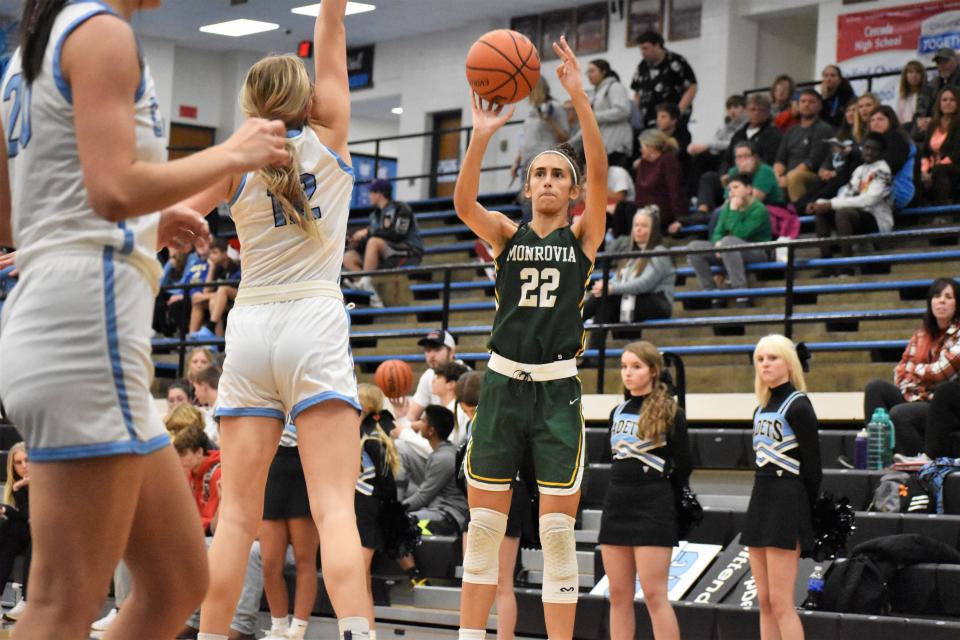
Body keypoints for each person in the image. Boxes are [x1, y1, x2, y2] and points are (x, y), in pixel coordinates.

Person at [0, 1, 288, 638]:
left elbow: (18, 213)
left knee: (176, 581)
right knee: (61, 601)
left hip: (60, 322)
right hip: (83, 331)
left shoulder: (28, 55)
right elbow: (112, 190)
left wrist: (143, 226)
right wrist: (233, 153)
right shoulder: (99, 31)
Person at [178, 3, 375, 638]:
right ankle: (357, 633)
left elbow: (163, 221)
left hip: (252, 323)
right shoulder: (333, 132)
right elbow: (332, 33)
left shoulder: (232, 161)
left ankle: (211, 634)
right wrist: (332, 9)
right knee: (334, 508)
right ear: (306, 96)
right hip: (313, 320)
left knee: (234, 518)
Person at [454, 35, 607, 640]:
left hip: (558, 392)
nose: (546, 181)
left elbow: (598, 168)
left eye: (556, 176)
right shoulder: (505, 234)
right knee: (485, 530)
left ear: (571, 194)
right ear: (526, 188)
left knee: (558, 534)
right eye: (538, 173)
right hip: (500, 385)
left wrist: (579, 100)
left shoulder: (584, 237)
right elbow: (464, 200)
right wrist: (481, 134)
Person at [599, 342, 690, 640]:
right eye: (624, 366)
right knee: (618, 594)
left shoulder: (670, 411)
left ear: (653, 370)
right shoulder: (617, 411)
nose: (628, 373)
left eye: (636, 367)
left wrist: (669, 501)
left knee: (654, 595)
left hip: (653, 506)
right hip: (617, 505)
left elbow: (684, 464)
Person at [743, 335, 821, 640]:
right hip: (760, 500)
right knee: (763, 601)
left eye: (772, 358)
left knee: (780, 602)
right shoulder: (760, 408)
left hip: (787, 501)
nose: (765, 365)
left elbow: (813, 468)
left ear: (788, 362)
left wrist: (806, 512)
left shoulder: (799, 405)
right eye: (760, 359)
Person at [864, 278, 960, 458]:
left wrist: (914, 370)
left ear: (957, 304)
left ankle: (918, 465)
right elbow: (899, 372)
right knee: (875, 388)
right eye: (937, 296)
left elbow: (940, 373)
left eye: (948, 297)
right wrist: (916, 375)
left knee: (901, 413)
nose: (941, 301)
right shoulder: (921, 334)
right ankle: (879, 454)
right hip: (916, 395)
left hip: (942, 405)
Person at [259, 423, 320, 640]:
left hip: (304, 465)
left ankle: (297, 632)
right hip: (271, 466)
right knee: (269, 562)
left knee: (305, 560)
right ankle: (279, 628)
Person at [584, 206, 674, 352]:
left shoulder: (659, 253)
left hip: (657, 302)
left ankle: (570, 323)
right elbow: (617, 279)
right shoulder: (631, 255)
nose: (638, 229)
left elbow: (645, 283)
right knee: (603, 301)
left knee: (606, 298)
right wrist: (605, 286)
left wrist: (612, 288)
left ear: (653, 230)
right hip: (637, 299)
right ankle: (594, 354)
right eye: (636, 225)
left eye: (644, 226)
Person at [687, 173, 771, 308]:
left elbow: (741, 233)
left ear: (749, 189)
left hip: (757, 251)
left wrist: (733, 210)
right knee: (693, 247)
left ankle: (742, 295)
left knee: (728, 242)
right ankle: (712, 294)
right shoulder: (726, 208)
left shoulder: (759, 209)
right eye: (730, 188)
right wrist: (717, 245)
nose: (732, 191)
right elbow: (718, 231)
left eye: (736, 187)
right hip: (729, 248)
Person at [810, 132, 893, 268]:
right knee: (822, 211)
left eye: (874, 149)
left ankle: (847, 267)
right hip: (857, 215)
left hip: (875, 218)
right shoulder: (859, 169)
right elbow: (846, 195)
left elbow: (868, 201)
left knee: (843, 213)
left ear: (881, 152)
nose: (869, 152)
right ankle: (826, 265)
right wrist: (819, 204)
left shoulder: (883, 170)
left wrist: (831, 204)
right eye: (866, 147)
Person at [344, 178, 423, 307]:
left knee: (374, 242)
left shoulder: (401, 208)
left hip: (408, 251)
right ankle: (371, 292)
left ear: (379, 193)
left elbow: (398, 235)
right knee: (348, 257)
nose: (369, 195)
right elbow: (371, 239)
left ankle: (366, 282)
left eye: (371, 192)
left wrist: (368, 232)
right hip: (385, 254)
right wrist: (357, 241)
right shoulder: (374, 215)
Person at [355, 384, 402, 589]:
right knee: (358, 575)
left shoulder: (373, 439)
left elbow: (387, 483)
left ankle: (363, 620)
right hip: (355, 506)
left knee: (359, 573)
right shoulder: (357, 434)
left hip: (368, 508)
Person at [402, 405, 469, 534]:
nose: (420, 423)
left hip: (449, 518)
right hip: (439, 511)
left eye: (423, 420)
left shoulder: (443, 458)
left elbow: (423, 497)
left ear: (431, 430)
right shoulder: (445, 452)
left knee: (399, 523)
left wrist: (395, 510)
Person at [773, 89, 835, 204]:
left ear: (819, 106)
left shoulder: (823, 128)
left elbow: (813, 161)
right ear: (798, 105)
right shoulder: (791, 130)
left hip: (813, 177)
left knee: (794, 177)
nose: (806, 104)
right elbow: (780, 160)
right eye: (803, 101)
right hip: (789, 174)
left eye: (811, 102)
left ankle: (800, 215)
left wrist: (787, 178)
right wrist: (776, 177)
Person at [570, 59, 632, 170]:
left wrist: (594, 116)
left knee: (612, 183)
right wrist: (572, 143)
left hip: (616, 145)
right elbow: (591, 122)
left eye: (592, 71)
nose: (589, 75)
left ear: (603, 72)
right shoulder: (597, 92)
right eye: (587, 72)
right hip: (603, 146)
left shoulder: (614, 86)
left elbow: (623, 110)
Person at [630, 31, 697, 130]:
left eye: (645, 48)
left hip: (671, 124)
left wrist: (677, 112)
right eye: (640, 49)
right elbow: (637, 93)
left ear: (657, 45)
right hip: (647, 122)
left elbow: (692, 87)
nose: (642, 52)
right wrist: (636, 115)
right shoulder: (642, 66)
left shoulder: (676, 61)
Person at [511, 77, 569, 184]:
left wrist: (550, 122)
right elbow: (525, 137)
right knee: (527, 197)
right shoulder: (532, 109)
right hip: (527, 160)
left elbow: (565, 137)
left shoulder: (555, 107)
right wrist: (517, 161)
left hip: (545, 158)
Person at [634, 129, 685, 235]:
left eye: (642, 146)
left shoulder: (668, 160)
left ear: (651, 147)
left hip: (662, 210)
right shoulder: (643, 163)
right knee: (623, 208)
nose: (640, 150)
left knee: (635, 213)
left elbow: (674, 189)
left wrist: (679, 218)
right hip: (643, 208)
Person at [174, 427, 221, 536]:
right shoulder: (190, 473)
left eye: (183, 454)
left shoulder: (217, 474)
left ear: (199, 452)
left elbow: (211, 523)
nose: (179, 459)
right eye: (177, 455)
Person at [0, 443, 29, 621]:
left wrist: (8, 511)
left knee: (8, 527)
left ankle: (28, 600)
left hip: (50, 537)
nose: (24, 466)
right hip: (25, 536)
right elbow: (26, 519)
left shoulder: (49, 484)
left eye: (27, 460)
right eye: (18, 463)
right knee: (6, 532)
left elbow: (36, 519)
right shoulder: (17, 487)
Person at [868, 105, 916, 209]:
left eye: (880, 119)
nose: (875, 123)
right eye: (872, 120)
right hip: (875, 189)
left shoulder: (897, 138)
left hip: (896, 190)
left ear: (891, 121)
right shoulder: (870, 143)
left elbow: (890, 167)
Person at [920, 85, 960, 205]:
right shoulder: (933, 124)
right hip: (935, 167)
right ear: (939, 103)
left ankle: (943, 213)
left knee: (939, 170)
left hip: (955, 165)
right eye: (945, 100)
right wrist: (924, 171)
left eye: (952, 100)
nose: (948, 103)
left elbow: (957, 153)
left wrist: (934, 171)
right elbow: (926, 152)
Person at [724, 94, 782, 172]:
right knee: (710, 177)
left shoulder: (774, 135)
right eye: (752, 109)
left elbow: (768, 161)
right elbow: (727, 160)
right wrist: (723, 174)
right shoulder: (739, 134)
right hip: (732, 175)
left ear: (768, 113)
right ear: (747, 111)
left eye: (761, 110)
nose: (756, 113)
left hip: (757, 175)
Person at [922, 48, 960, 122]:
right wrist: (920, 118)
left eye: (946, 61)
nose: (942, 65)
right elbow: (923, 104)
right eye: (939, 62)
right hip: (934, 122)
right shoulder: (932, 84)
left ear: (955, 61)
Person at [896, 60, 929, 130]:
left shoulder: (927, 94)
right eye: (910, 72)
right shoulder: (902, 96)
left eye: (917, 72)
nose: (914, 75)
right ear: (905, 76)